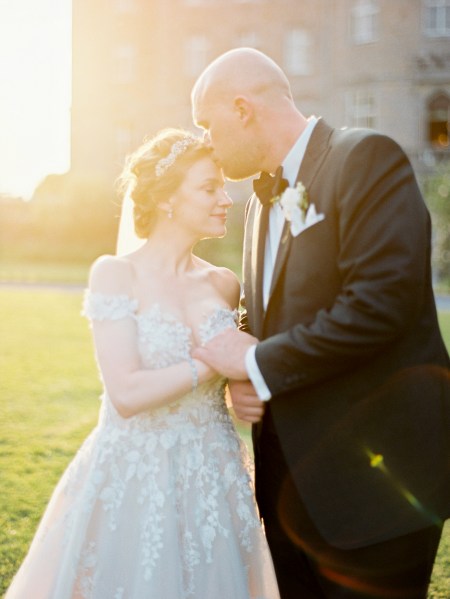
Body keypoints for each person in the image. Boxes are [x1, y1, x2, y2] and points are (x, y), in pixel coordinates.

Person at [191, 48, 450, 599]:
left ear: (242, 109)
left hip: (378, 489)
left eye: (207, 126)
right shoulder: (258, 204)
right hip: (288, 493)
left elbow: (379, 304)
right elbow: (278, 311)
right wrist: (239, 360)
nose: (206, 143)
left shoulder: (366, 157)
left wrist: (256, 363)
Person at [5, 128, 280, 599]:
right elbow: (127, 394)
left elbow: (239, 378)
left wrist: (239, 385)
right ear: (168, 199)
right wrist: (212, 363)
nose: (226, 199)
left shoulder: (224, 283)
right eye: (209, 187)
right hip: (135, 474)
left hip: (214, 475)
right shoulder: (116, 274)